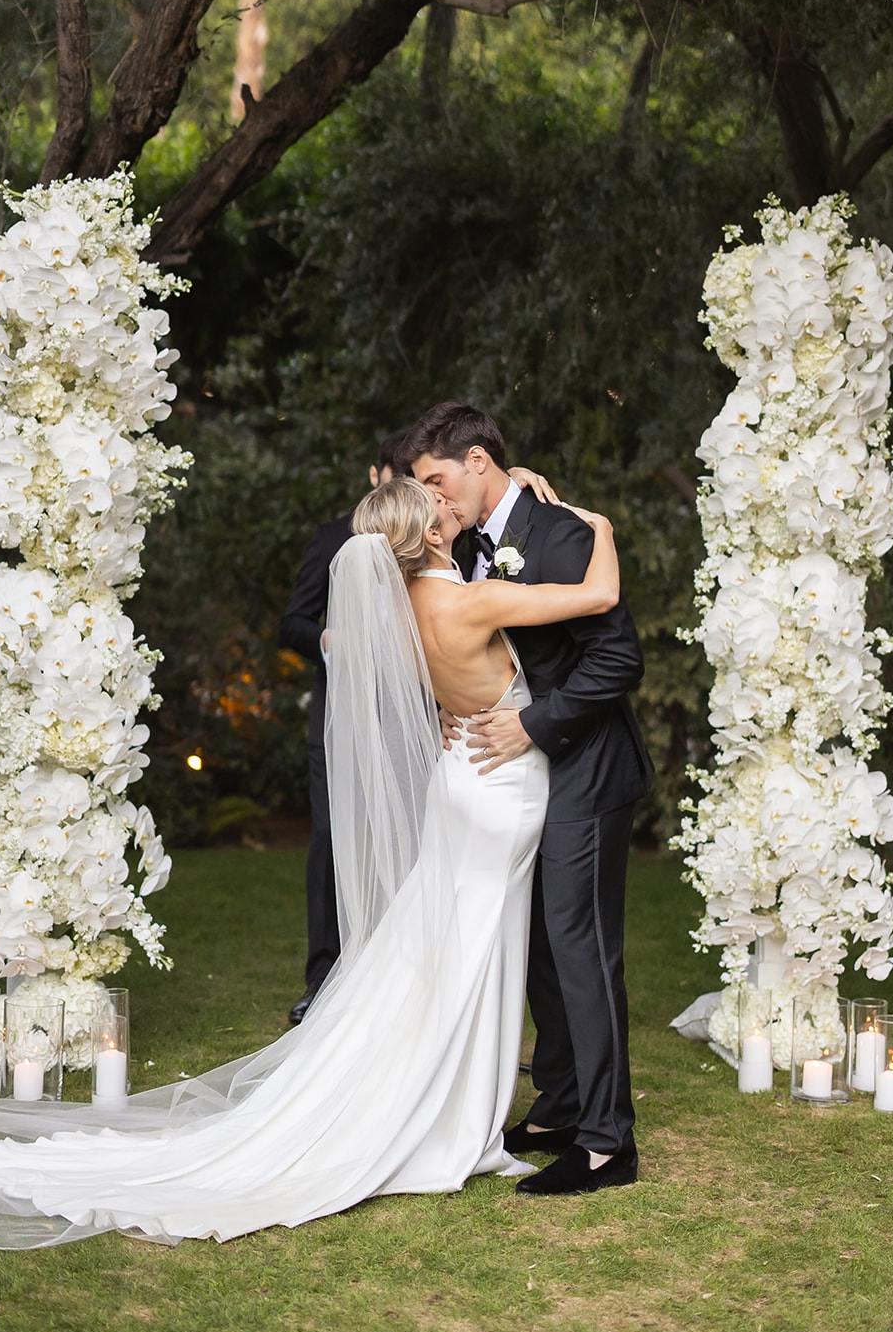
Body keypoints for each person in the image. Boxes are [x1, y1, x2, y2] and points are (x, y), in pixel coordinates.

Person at [0, 478, 620, 1247]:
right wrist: (598, 525)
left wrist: (458, 705)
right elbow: (596, 594)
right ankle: (447, 1120)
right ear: (431, 536)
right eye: (436, 503)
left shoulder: (401, 608)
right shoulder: (467, 601)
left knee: (448, 944)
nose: (449, 504)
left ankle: (444, 1105)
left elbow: (439, 685)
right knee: (473, 950)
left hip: (460, 781)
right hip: (499, 788)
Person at [403, 402, 654, 1196]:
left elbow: (618, 659)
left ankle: (609, 1145)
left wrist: (533, 726)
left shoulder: (562, 533)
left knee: (580, 948)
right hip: (526, 774)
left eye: (438, 481)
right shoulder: (469, 546)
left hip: (583, 765)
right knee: (542, 947)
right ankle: (559, 1107)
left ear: (478, 462)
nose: (433, 503)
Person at [279, 440, 562, 1025]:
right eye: (423, 487)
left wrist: (442, 704)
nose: (438, 496)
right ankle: (418, 1033)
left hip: (458, 760)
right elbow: (597, 595)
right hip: (483, 766)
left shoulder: (404, 587)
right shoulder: (449, 590)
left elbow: (418, 660)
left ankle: (405, 1032)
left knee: (445, 915)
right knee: (461, 919)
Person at [279, 429, 407, 1025]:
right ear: (374, 475)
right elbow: (295, 620)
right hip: (338, 717)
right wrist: (329, 640)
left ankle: (400, 972)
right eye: (394, 475)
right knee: (333, 841)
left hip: (416, 721)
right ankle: (322, 976)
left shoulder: (432, 543)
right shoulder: (334, 537)